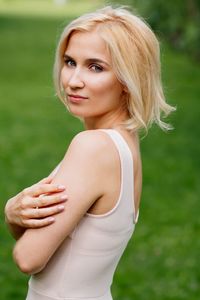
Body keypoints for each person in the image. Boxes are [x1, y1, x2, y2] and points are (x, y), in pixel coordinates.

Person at [4, 5, 175, 300]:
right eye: (70, 62)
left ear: (127, 79)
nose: (73, 80)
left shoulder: (93, 147)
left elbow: (28, 257)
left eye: (96, 67)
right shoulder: (124, 144)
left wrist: (11, 213)